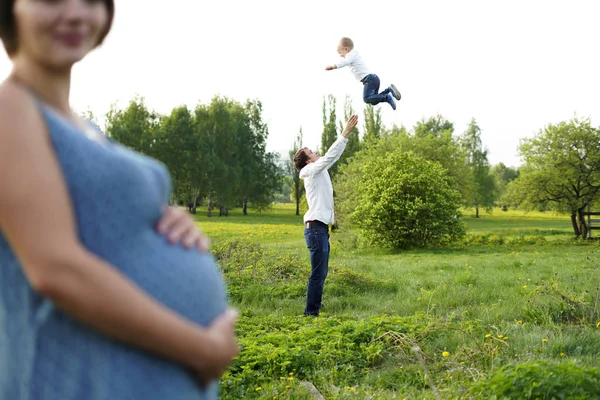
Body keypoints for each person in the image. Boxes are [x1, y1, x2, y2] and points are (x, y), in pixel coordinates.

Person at [0, 1, 238, 399]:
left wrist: (160, 220)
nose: (76, 13)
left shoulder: (79, 126)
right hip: (77, 376)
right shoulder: (9, 110)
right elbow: (55, 270)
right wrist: (204, 349)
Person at [293, 115, 359, 316]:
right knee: (317, 273)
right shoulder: (310, 171)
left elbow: (333, 157)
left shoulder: (318, 170)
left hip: (320, 227)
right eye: (311, 152)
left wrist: (332, 215)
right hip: (314, 228)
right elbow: (330, 156)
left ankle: (315, 306)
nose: (315, 152)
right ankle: (310, 313)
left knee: (321, 272)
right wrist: (344, 133)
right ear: (307, 160)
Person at [325, 37, 401, 110]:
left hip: (369, 79)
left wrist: (333, 66)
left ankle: (387, 97)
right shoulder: (353, 55)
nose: (340, 55)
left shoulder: (350, 55)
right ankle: (389, 89)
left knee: (366, 98)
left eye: (340, 53)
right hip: (372, 79)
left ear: (346, 49)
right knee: (373, 101)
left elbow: (345, 62)